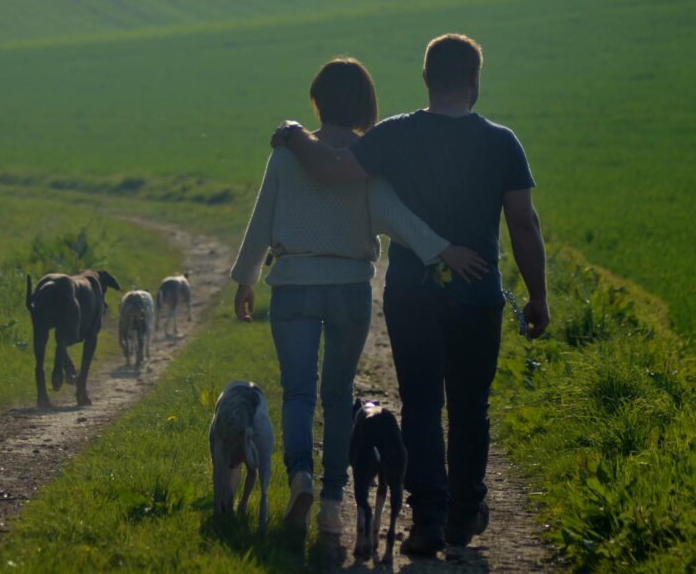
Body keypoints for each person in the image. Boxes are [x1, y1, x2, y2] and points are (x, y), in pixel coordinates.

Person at [272, 34, 549, 556]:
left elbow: (331, 170)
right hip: (477, 295)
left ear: (426, 79)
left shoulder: (395, 134)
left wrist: (293, 135)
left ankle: (427, 521)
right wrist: (538, 297)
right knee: (471, 406)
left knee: (421, 403)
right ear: (474, 82)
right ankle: (463, 515)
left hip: (411, 295)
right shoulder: (502, 142)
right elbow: (524, 224)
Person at [230, 57, 489, 536]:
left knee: (299, 392)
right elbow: (396, 217)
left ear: (317, 100)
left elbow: (262, 219)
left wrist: (246, 278)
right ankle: (331, 502)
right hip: (349, 290)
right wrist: (443, 249)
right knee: (337, 394)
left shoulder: (288, 154)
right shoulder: (368, 159)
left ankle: (300, 475)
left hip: (292, 288)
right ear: (366, 103)